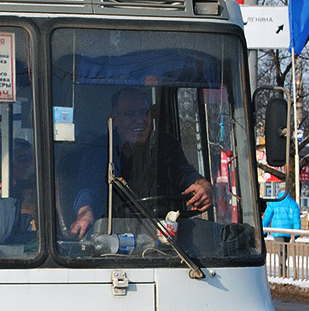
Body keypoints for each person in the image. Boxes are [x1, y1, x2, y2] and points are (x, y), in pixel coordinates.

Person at [67, 86, 214, 238]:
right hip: (113, 238)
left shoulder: (165, 144)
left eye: (144, 112)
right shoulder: (99, 149)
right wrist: (85, 214)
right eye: (130, 113)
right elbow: (87, 189)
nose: (140, 120)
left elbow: (185, 174)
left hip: (165, 238)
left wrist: (203, 185)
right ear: (114, 119)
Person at [262, 189, 300, 277]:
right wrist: (297, 232)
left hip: (277, 230)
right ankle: (283, 270)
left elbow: (267, 217)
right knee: (285, 251)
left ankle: (282, 271)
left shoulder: (274, 203)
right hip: (288, 231)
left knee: (281, 251)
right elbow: (296, 219)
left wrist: (264, 230)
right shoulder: (293, 203)